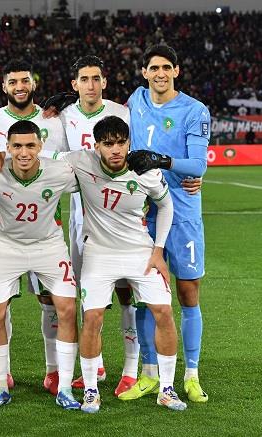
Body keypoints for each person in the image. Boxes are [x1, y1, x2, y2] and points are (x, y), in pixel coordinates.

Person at [58, 115, 186, 413]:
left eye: (120, 143)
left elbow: (166, 205)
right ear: (96, 146)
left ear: (129, 143)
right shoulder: (80, 161)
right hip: (99, 254)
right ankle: (91, 390)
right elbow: (42, 156)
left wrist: (158, 250)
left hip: (140, 252)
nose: (115, 150)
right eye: (108, 144)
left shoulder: (145, 171)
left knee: (164, 312)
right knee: (92, 318)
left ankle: (167, 389)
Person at [0, 60, 68, 396]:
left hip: (46, 227)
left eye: (24, 81)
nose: (19, 86)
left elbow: (66, 167)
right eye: (13, 81)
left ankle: (54, 372)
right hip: (4, 226)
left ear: (33, 84)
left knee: (50, 300)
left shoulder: (53, 121)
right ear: (4, 86)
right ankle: (0, 374)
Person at [123, 44, 211, 403]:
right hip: (143, 211)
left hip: (183, 212)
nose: (160, 73)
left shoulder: (194, 110)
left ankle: (191, 375)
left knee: (188, 291)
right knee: (147, 294)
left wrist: (162, 161)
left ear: (176, 71)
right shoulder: (136, 99)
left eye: (166, 67)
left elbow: (198, 165)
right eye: (153, 68)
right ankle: (148, 373)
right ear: (144, 72)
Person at [58, 55, 139, 396]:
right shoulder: (63, 117)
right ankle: (98, 364)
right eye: (84, 79)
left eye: (96, 78)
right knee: (90, 297)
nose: (90, 85)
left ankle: (132, 368)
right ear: (74, 84)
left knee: (127, 293)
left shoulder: (123, 113)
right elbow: (55, 160)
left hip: (122, 219)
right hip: (83, 218)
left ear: (104, 82)